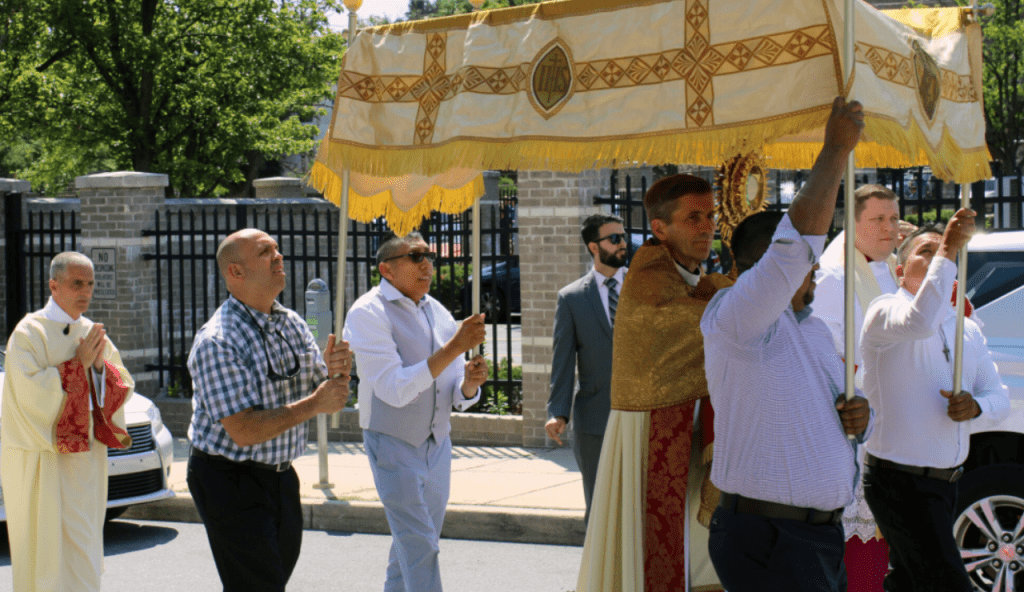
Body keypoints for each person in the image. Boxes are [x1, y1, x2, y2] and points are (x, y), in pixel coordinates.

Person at [701, 97, 871, 592]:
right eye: (804, 269)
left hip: (817, 536)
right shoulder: (736, 317)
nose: (812, 274)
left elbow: (834, 411)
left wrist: (859, 415)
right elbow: (794, 248)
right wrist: (835, 150)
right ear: (757, 272)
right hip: (769, 536)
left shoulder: (812, 327)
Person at [576, 173, 733, 592]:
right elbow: (711, 322)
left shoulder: (694, 277)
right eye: (694, 217)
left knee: (699, 560)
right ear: (660, 228)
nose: (707, 225)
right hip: (653, 437)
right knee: (659, 560)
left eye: (711, 215)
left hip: (694, 436)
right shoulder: (649, 282)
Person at [187, 228, 351, 592]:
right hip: (227, 479)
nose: (278, 256)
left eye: (276, 249)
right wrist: (314, 403)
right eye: (264, 252)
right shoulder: (218, 340)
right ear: (236, 273)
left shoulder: (290, 322)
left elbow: (321, 386)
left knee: (268, 581)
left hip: (279, 476)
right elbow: (243, 431)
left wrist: (335, 369)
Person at [860, 214, 1010, 592]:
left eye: (939, 254)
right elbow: (920, 321)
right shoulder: (885, 311)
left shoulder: (967, 328)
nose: (934, 259)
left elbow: (998, 395)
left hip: (946, 482)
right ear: (899, 271)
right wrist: (947, 248)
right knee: (946, 583)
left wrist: (975, 407)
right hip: (901, 480)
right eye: (924, 252)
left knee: (910, 582)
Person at [343, 232, 488, 592]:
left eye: (429, 256)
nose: (427, 264)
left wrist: (470, 383)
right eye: (415, 256)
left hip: (437, 444)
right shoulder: (367, 312)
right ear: (386, 270)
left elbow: (455, 392)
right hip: (392, 440)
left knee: (411, 542)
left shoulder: (436, 311)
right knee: (420, 543)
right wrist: (455, 347)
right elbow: (394, 389)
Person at [1, 251, 133, 592]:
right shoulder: (29, 333)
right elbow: (28, 396)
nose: (85, 291)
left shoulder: (91, 331)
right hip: (42, 462)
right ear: (54, 285)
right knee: (45, 553)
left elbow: (121, 384)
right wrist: (77, 367)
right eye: (77, 283)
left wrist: (100, 369)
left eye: (90, 283)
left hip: (85, 463)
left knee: (82, 549)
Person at [812, 184, 901, 589]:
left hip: (892, 423)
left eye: (893, 219)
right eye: (877, 220)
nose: (889, 228)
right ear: (854, 224)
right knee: (860, 550)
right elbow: (832, 356)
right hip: (857, 424)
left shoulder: (885, 267)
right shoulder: (835, 275)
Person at [547, 212, 628, 523]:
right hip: (595, 418)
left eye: (624, 237)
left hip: (645, 415)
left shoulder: (643, 287)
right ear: (595, 247)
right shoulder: (571, 298)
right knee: (601, 510)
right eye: (615, 238)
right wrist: (558, 412)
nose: (623, 244)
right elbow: (563, 360)